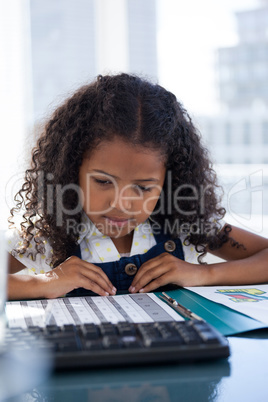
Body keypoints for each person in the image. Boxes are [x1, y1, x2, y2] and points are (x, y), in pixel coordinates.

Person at [7, 73, 268, 300]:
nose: (121, 203)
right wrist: (43, 282)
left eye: (143, 188)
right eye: (103, 181)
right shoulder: (47, 235)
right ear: (71, 172)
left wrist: (205, 273)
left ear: (169, 182)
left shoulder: (187, 225)